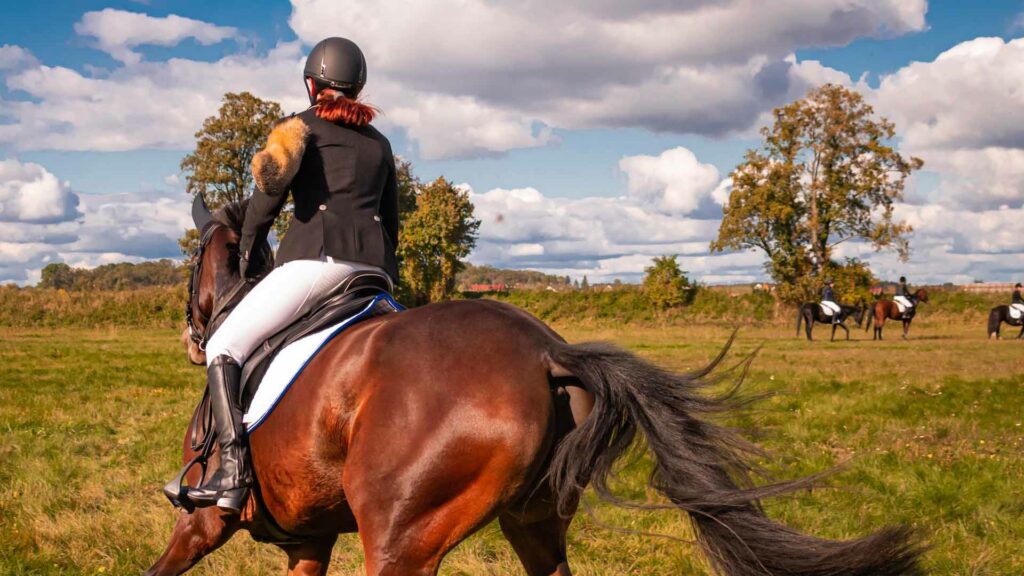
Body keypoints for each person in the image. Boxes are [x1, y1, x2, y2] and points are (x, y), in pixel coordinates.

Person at [178, 37, 400, 513]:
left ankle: (232, 473)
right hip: (375, 276)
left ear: (310, 83)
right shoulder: (381, 145)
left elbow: (263, 206)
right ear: (358, 86)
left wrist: (248, 256)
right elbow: (392, 221)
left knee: (223, 346)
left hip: (316, 265)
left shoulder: (295, 129)